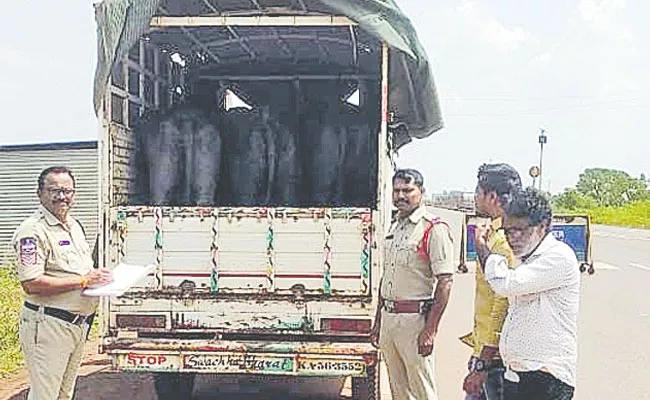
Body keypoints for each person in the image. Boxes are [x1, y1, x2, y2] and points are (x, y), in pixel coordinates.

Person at [12, 166, 113, 400]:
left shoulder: (74, 226)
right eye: (54, 190)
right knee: (45, 395)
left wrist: (98, 277)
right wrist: (84, 281)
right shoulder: (32, 231)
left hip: (77, 325)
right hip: (49, 324)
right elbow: (31, 282)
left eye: (67, 191)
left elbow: (78, 270)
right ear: (39, 194)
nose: (61, 196)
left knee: (63, 394)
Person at [475, 187, 580, 400]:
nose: (513, 238)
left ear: (543, 226)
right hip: (520, 374)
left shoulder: (558, 257)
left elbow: (505, 284)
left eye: (521, 230)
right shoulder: (528, 259)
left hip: (546, 379)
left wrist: (481, 246)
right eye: (508, 231)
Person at [369, 168, 454, 400]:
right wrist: (378, 321)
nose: (401, 196)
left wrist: (431, 330)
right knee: (398, 389)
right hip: (389, 319)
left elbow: (445, 282)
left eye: (408, 190)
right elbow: (386, 278)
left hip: (414, 322)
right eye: (396, 191)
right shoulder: (395, 226)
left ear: (421, 192)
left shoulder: (433, 228)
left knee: (422, 388)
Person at [461, 164, 521, 400]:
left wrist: (483, 362)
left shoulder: (504, 242)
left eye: (478, 192)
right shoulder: (493, 235)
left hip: (494, 360)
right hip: (486, 353)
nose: (475, 198)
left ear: (492, 196)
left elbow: (502, 304)